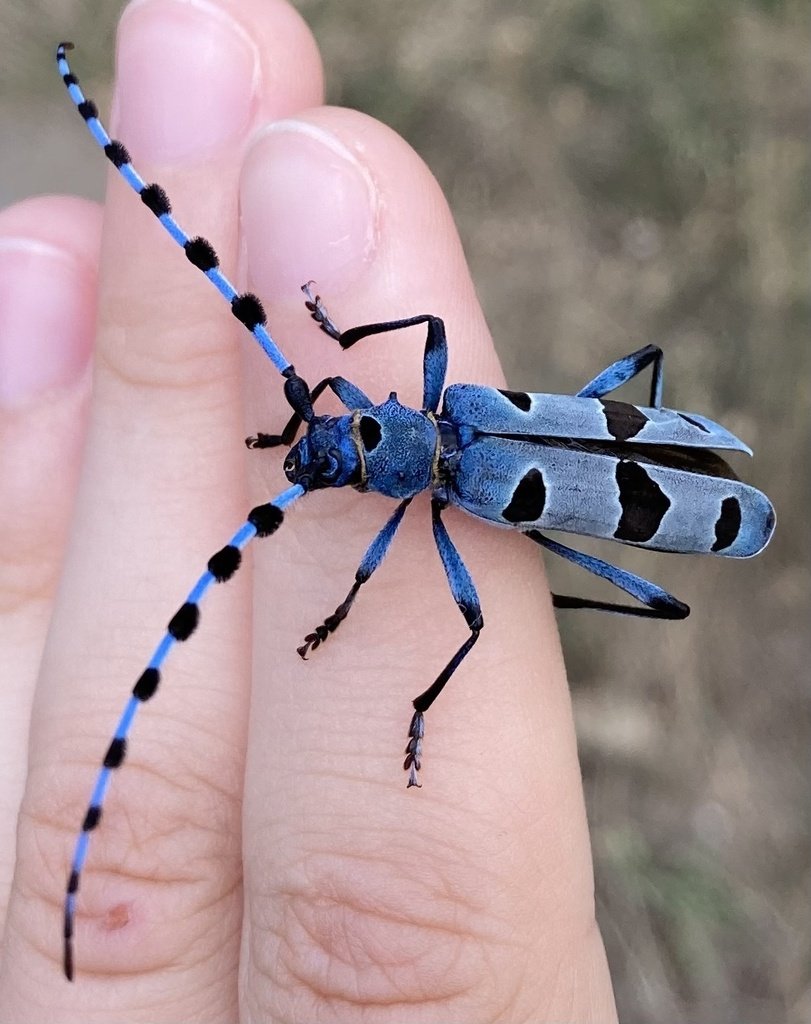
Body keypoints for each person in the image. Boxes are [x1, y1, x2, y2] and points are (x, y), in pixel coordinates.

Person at [0, 0, 617, 1019]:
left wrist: (353, 628)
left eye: (326, 459)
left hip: (553, 480)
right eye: (325, 458)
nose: (324, 446)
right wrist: (296, 421)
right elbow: (329, 396)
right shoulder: (411, 409)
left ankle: (460, 677)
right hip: (518, 463)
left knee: (487, 602)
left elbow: (348, 419)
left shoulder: (431, 471)